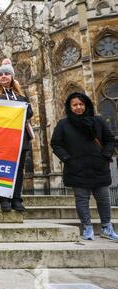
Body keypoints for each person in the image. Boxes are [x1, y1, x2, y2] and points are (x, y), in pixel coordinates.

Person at [51, 92, 118, 241]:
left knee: (104, 200)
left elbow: (110, 140)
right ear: (70, 107)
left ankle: (107, 227)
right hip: (76, 168)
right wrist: (67, 159)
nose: (78, 107)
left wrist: (106, 155)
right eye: (75, 105)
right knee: (82, 200)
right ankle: (87, 227)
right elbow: (55, 143)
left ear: (86, 105)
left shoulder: (98, 121)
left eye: (81, 104)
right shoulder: (63, 124)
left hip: (98, 166)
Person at [0, 63, 33, 212]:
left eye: (6, 73)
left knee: (18, 170)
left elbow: (29, 113)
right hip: (1, 139)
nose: (3, 76)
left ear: (12, 76)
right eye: (0, 74)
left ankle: (16, 199)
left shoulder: (21, 96)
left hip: (20, 139)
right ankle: (4, 199)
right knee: (2, 170)